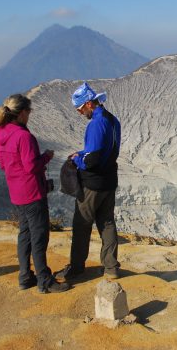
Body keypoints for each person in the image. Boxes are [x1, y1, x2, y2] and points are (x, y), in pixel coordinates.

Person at [0, 94, 70, 293]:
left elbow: (3, 164)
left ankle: (25, 276)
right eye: (29, 112)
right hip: (32, 192)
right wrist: (46, 156)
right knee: (39, 236)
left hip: (16, 193)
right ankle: (44, 280)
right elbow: (31, 166)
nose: (29, 116)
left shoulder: (3, 133)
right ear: (21, 113)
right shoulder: (23, 136)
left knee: (25, 234)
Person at [55, 82, 121, 281]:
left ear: (89, 104)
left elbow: (91, 160)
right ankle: (111, 268)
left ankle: (76, 268)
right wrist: (83, 153)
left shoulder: (96, 124)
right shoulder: (112, 120)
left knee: (82, 224)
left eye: (80, 108)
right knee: (107, 222)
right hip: (109, 180)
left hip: (93, 184)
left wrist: (77, 159)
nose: (79, 112)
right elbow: (105, 150)